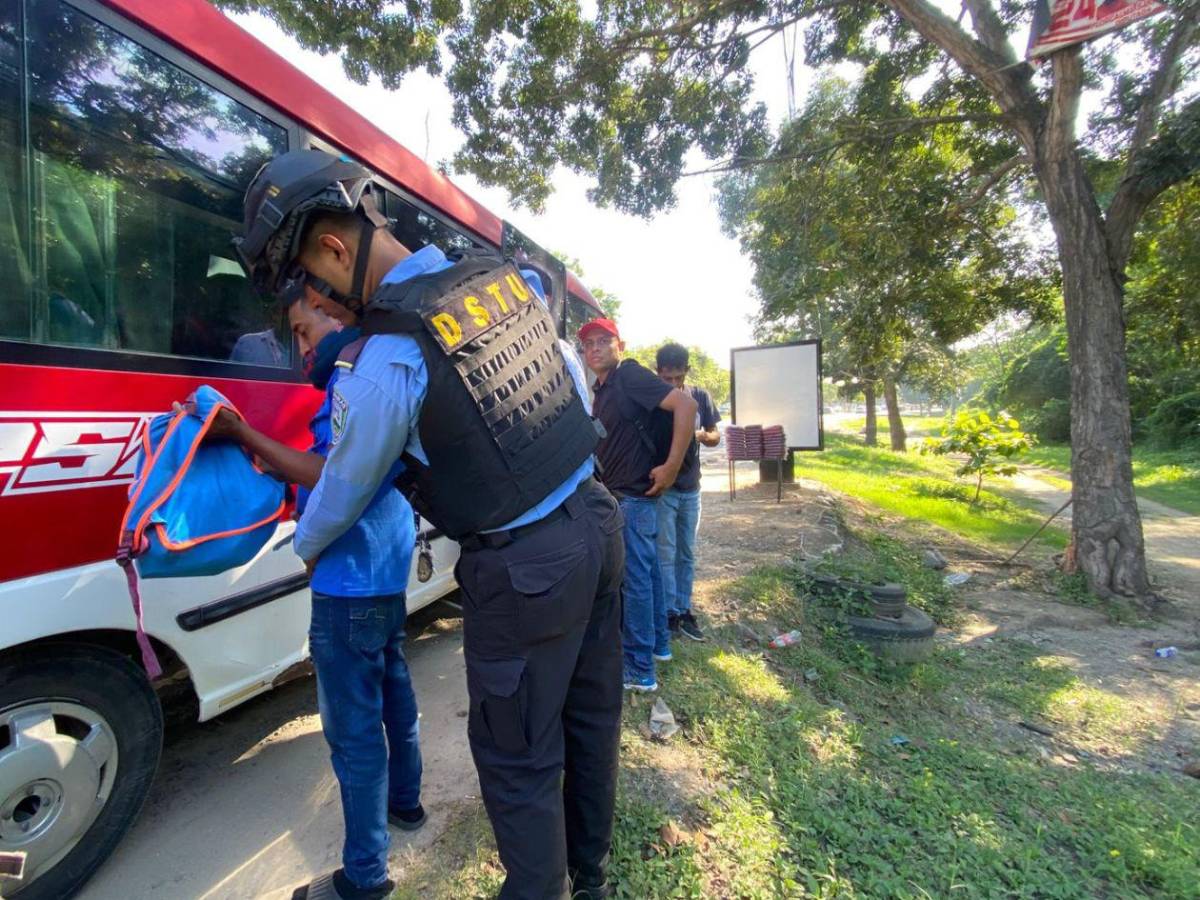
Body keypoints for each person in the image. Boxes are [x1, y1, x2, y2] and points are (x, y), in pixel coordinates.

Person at [233, 149, 625, 900]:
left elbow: (346, 486)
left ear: (335, 250)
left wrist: (304, 551)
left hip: (525, 574)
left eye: (315, 295)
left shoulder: (389, 356)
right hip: (598, 525)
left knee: (520, 762)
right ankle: (594, 884)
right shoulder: (504, 281)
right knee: (591, 723)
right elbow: (574, 394)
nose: (326, 318)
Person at [205, 299, 424, 900]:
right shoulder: (383, 379)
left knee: (354, 736)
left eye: (303, 331)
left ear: (334, 313)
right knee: (394, 701)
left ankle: (365, 877)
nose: (300, 348)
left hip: (348, 584)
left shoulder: (355, 388)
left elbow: (328, 476)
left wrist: (241, 432)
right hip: (383, 575)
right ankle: (407, 806)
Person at [579, 318, 697, 693]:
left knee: (635, 581)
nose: (594, 348)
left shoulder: (628, 375)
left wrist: (673, 465)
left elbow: (686, 404)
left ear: (620, 345)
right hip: (626, 494)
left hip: (632, 496)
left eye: (603, 341)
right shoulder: (605, 386)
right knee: (649, 575)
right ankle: (659, 646)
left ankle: (638, 667)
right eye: (588, 344)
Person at [654, 343, 721, 642]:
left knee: (687, 552)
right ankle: (668, 612)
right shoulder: (655, 398)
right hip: (666, 490)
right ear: (658, 374)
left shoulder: (701, 396)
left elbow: (716, 435)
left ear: (686, 373)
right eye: (666, 379)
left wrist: (701, 435)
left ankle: (684, 609)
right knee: (665, 553)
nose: (672, 384)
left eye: (677, 378)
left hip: (691, 487)